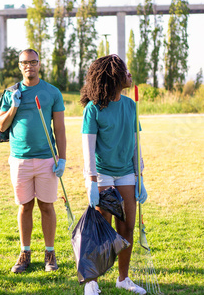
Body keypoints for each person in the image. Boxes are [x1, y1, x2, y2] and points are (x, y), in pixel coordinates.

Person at [80, 54, 148, 295]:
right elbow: (88, 147)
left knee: (127, 226)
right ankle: (92, 282)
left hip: (126, 173)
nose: (129, 75)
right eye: (125, 71)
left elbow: (136, 143)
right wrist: (91, 180)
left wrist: (140, 177)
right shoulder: (93, 109)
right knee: (102, 229)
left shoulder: (131, 105)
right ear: (113, 77)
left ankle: (123, 278)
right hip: (102, 174)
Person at [0, 49, 67, 273]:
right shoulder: (11, 92)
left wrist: (62, 158)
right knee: (25, 206)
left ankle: (50, 253)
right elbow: (1, 126)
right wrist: (14, 105)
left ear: (39, 64)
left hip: (47, 158)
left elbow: (60, 128)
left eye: (33, 62)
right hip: (20, 160)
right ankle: (25, 252)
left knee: (47, 206)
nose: (29, 66)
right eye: (25, 63)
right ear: (19, 66)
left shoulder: (52, 92)